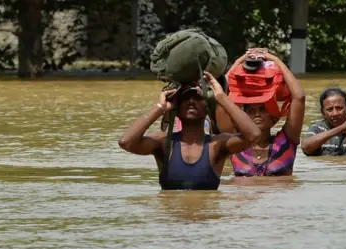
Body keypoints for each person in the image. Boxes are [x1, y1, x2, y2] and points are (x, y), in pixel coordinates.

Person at [118, 71, 260, 190]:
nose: (191, 101)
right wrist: (159, 108)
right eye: (185, 97)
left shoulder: (216, 145)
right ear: (175, 107)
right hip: (172, 222)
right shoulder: (163, 143)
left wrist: (221, 98)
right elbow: (126, 142)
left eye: (198, 97)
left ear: (208, 107)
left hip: (205, 222)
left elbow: (253, 135)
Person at [219, 49, 306, 176]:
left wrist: (275, 60)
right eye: (251, 111)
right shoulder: (235, 143)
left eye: (263, 109)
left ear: (274, 117)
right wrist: (240, 61)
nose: (257, 114)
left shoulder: (287, 140)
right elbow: (220, 98)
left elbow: (299, 97)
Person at [301, 88, 346, 157]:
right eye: (329, 109)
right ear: (323, 112)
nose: (335, 113)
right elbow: (305, 147)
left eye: (339, 108)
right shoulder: (317, 127)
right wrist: (342, 127)